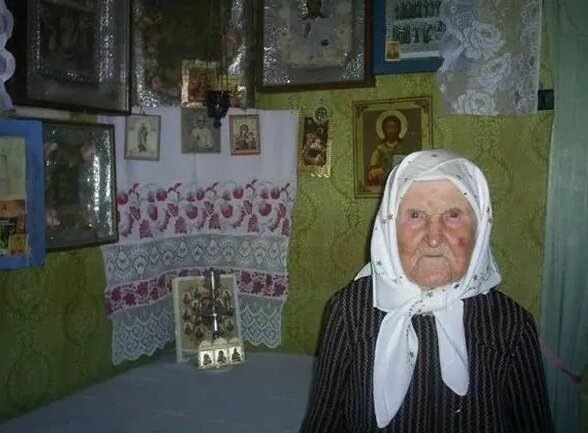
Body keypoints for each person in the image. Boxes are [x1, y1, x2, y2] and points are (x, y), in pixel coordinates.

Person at [300, 150, 555, 433]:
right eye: (415, 215)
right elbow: (324, 423)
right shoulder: (349, 311)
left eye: (453, 215)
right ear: (390, 226)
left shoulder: (512, 325)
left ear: (480, 227)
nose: (434, 238)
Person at [367, 114, 413, 186]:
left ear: (399, 129)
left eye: (394, 127)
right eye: (388, 127)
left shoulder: (405, 148)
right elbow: (372, 170)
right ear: (384, 129)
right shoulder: (380, 150)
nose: (391, 131)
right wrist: (376, 172)